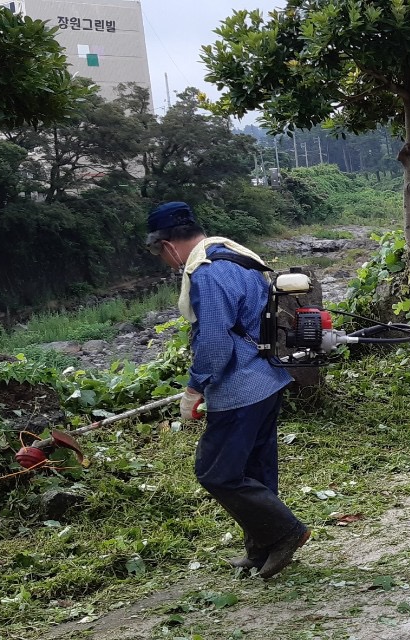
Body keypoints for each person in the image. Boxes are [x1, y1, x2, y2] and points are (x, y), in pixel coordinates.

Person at [145, 201, 308, 579]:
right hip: (268, 378)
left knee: (216, 472)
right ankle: (261, 549)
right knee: (255, 468)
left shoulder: (207, 274)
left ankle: (288, 532)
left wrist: (194, 388)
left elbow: (215, 344)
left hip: (240, 388)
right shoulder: (237, 257)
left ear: (166, 245)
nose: (165, 262)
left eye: (159, 254)